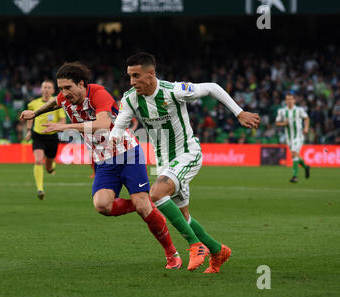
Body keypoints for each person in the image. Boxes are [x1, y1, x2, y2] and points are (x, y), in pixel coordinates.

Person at [20, 62, 182, 269]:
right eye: (60, 88)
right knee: (102, 206)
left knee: (143, 207)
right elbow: (54, 103)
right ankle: (144, 203)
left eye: (67, 88)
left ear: (81, 84)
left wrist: (66, 126)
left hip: (127, 154)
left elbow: (103, 124)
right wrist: (35, 113)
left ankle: (171, 253)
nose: (63, 93)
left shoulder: (98, 94)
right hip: (103, 160)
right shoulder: (65, 97)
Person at [110, 52, 261, 273]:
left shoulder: (174, 91)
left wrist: (238, 113)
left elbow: (211, 87)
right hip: (164, 162)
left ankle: (195, 246)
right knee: (183, 217)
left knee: (156, 194)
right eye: (130, 76)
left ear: (151, 73)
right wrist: (110, 145)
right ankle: (218, 251)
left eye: (136, 75)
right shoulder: (131, 98)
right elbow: (118, 129)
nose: (132, 81)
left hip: (188, 154)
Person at [24, 80, 66, 199]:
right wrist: (28, 131)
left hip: (52, 137)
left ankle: (50, 165)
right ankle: (40, 189)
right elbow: (30, 117)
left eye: (49, 87)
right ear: (41, 89)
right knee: (38, 160)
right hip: (38, 136)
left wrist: (57, 126)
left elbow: (62, 120)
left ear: (53, 90)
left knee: (48, 168)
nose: (46, 89)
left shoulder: (57, 103)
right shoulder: (33, 103)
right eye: (44, 87)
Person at [275, 91, 310, 182]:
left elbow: (306, 118)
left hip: (298, 136)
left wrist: (306, 128)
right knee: (295, 155)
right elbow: (277, 123)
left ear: (294, 100)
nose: (289, 101)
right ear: (285, 101)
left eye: (291, 99)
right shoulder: (282, 111)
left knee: (294, 153)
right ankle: (306, 167)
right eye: (287, 99)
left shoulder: (299, 110)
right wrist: (284, 123)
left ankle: (295, 176)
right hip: (289, 138)